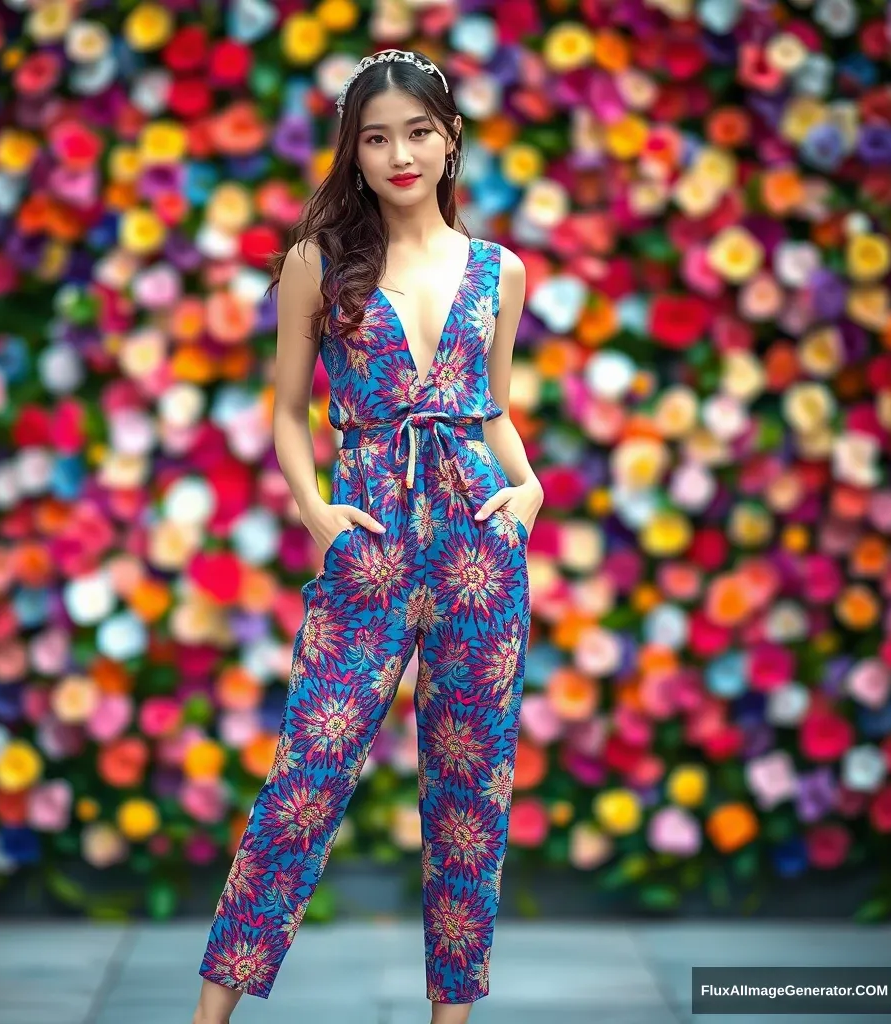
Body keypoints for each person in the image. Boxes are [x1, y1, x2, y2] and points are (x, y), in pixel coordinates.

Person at [191, 48, 543, 1024]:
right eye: (376, 136)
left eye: (417, 132)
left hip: (481, 557)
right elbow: (289, 414)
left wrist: (530, 491)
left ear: (449, 138)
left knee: (470, 798)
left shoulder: (499, 271)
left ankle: (450, 1019)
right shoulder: (319, 264)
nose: (399, 153)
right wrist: (315, 510)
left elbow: (494, 407)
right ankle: (208, 1017)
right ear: (353, 150)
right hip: (370, 550)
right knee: (304, 777)